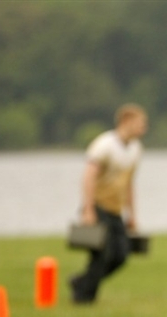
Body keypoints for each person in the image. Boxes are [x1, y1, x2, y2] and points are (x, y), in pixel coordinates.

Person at [69, 103, 147, 304]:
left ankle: (81, 282)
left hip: (116, 210)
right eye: (140, 123)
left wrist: (132, 215)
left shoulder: (136, 149)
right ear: (126, 122)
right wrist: (87, 210)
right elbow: (88, 178)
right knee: (101, 255)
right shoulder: (104, 145)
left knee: (120, 255)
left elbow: (129, 184)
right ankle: (84, 298)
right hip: (97, 207)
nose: (143, 128)